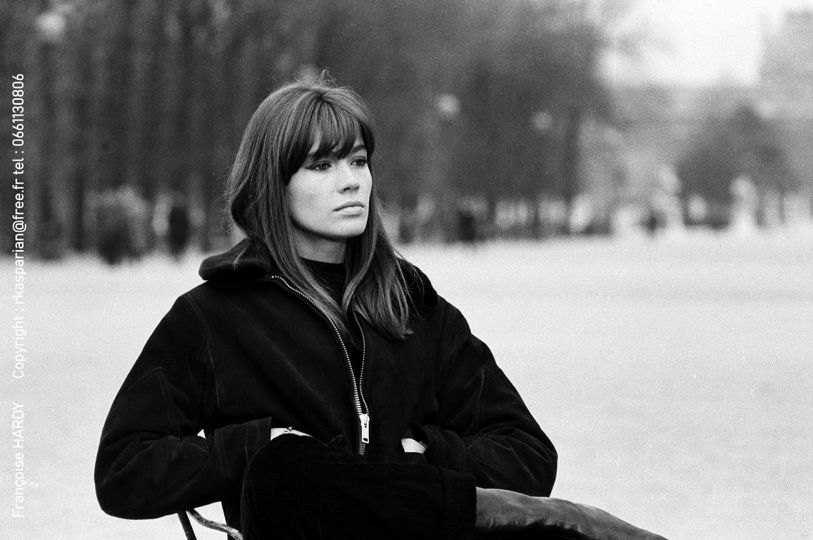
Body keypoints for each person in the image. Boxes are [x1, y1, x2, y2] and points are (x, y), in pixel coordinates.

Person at [95, 76, 665, 540]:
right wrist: (253, 448)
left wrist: (426, 454)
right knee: (283, 471)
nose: (352, 183)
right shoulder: (214, 317)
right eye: (321, 167)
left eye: (359, 161)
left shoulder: (411, 305)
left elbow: (529, 455)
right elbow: (124, 470)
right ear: (274, 184)